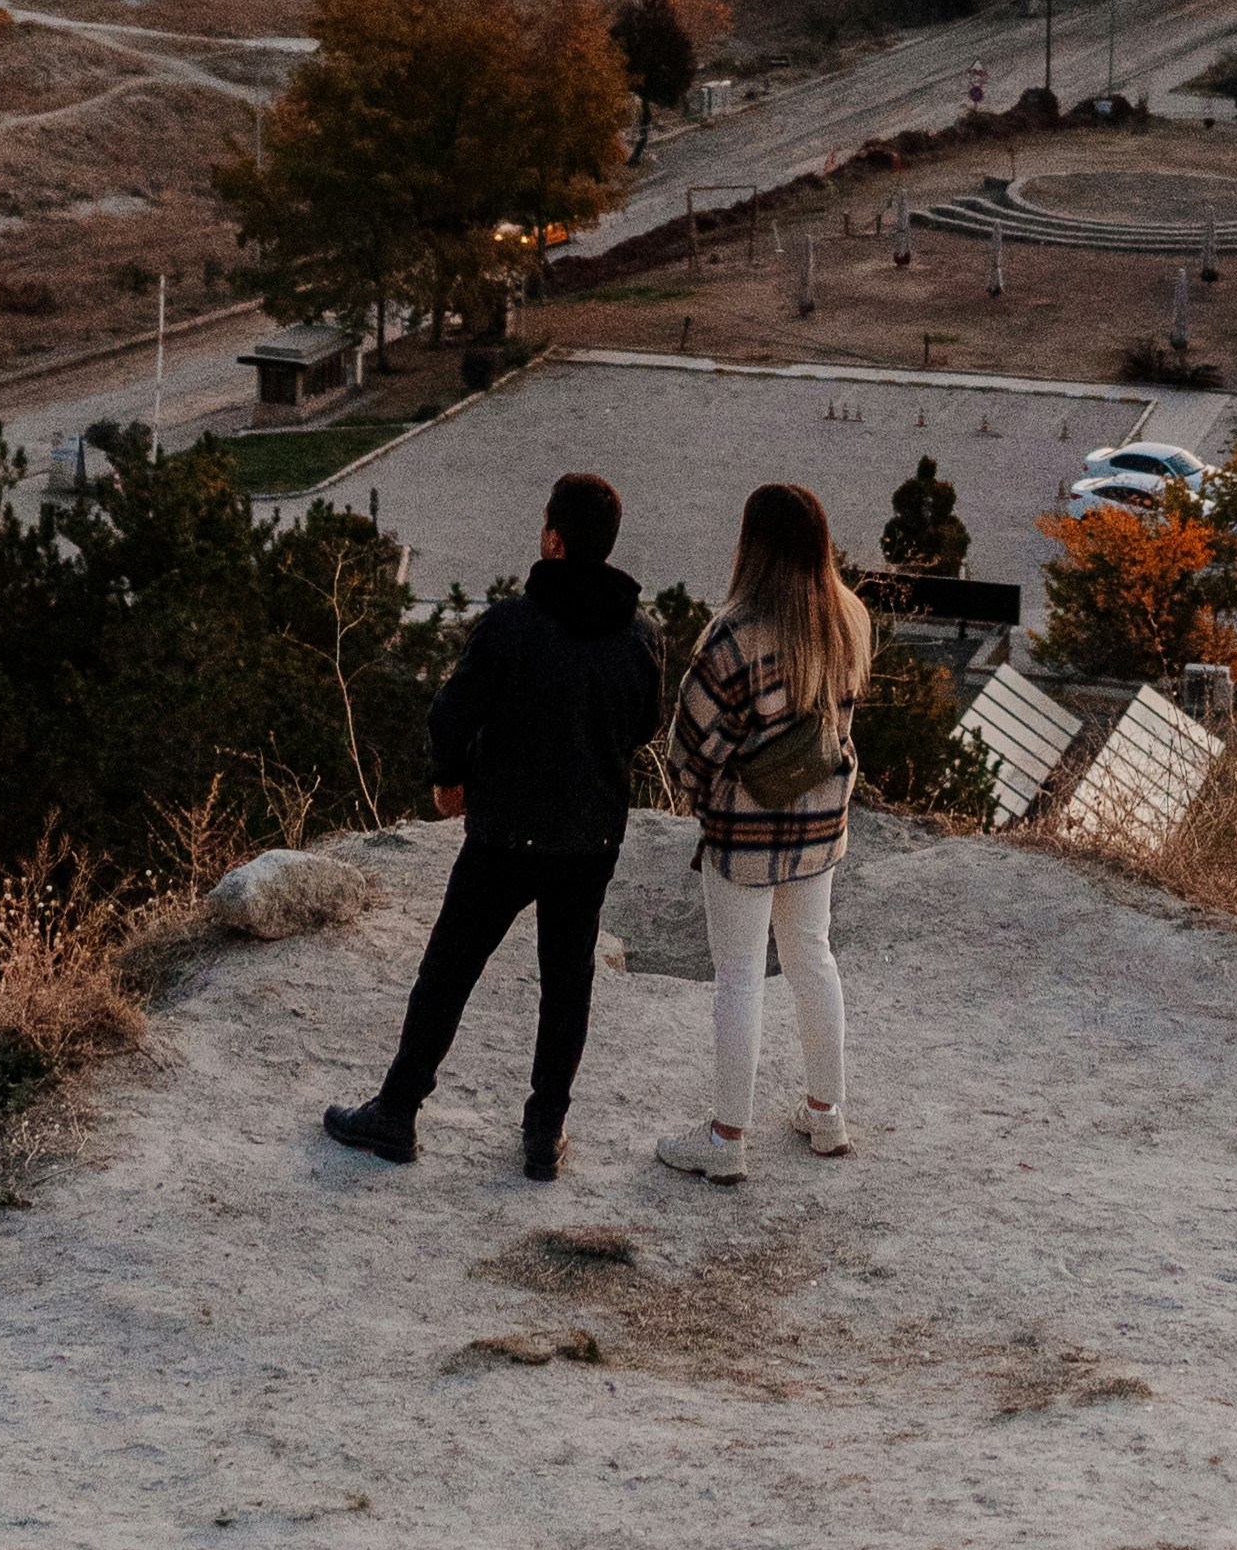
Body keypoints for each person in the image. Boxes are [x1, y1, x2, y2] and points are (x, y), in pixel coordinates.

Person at [323, 472, 661, 1182]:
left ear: (553, 539)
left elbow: (452, 710)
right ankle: (544, 1135)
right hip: (588, 838)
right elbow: (642, 727)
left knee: (447, 971)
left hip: (503, 832)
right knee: (566, 986)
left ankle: (397, 1112)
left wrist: (450, 778)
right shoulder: (640, 635)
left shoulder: (512, 623)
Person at [659, 480, 867, 1181]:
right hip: (820, 825)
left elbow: (689, 744)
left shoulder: (732, 634)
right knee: (813, 956)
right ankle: (826, 1116)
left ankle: (725, 1140)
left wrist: (699, 799)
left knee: (740, 975)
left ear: (753, 544)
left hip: (744, 832)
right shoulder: (849, 619)